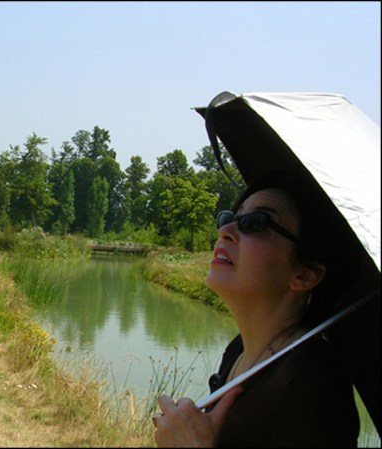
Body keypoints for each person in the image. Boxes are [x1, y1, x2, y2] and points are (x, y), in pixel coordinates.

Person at [152, 171, 361, 447]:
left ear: (304, 275)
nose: (225, 230)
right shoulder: (238, 350)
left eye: (256, 223)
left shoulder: (315, 382)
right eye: (230, 217)